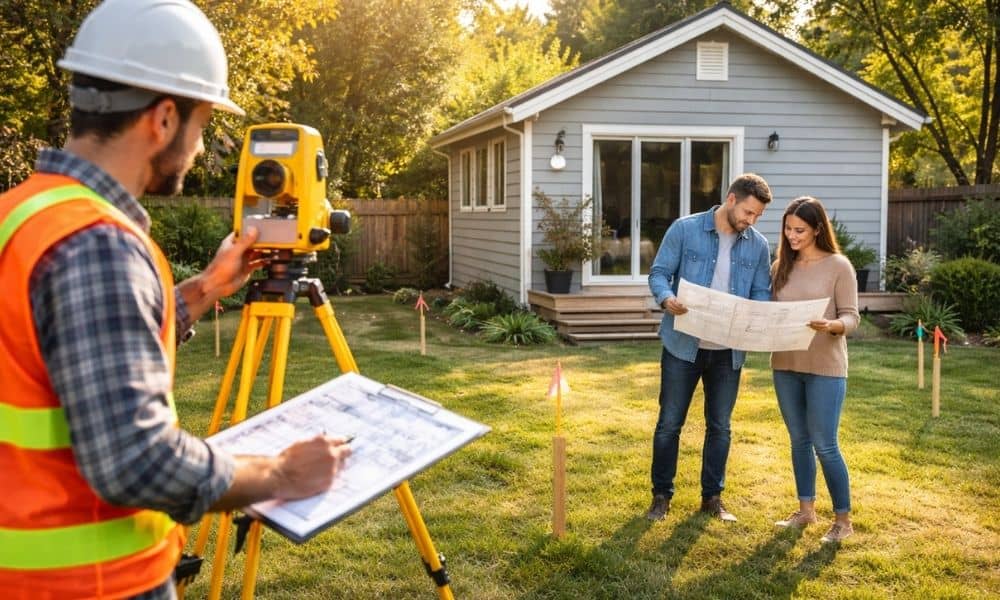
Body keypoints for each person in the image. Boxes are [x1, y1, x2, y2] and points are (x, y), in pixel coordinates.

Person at [0, 1, 351, 598]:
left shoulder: (23, 214)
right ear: (164, 119)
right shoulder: (97, 245)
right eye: (203, 124)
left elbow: (72, 349)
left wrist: (206, 288)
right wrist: (282, 474)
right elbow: (139, 463)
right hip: (89, 583)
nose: (198, 148)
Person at [646, 173, 773, 522]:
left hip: (727, 351)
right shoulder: (685, 229)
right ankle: (661, 496)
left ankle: (712, 498)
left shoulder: (758, 244)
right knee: (670, 423)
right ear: (731, 199)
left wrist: (759, 313)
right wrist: (666, 297)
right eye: (748, 212)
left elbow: (761, 290)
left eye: (757, 216)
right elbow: (658, 273)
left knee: (720, 426)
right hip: (682, 345)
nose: (751, 220)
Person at [769, 196, 859, 543]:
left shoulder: (839, 266)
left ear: (817, 229)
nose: (792, 236)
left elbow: (852, 317)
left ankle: (843, 521)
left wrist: (833, 325)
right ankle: (805, 512)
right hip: (785, 364)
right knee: (798, 440)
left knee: (825, 444)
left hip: (825, 366)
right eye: (788, 229)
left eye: (800, 230)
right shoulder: (780, 267)